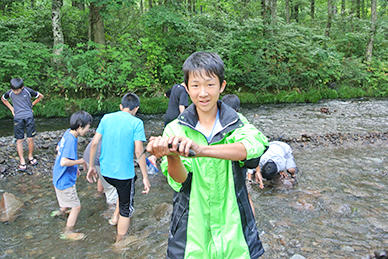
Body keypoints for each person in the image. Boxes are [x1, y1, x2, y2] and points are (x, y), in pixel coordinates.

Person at [146, 51, 268, 258]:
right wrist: (171, 155)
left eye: (210, 85)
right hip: (192, 235)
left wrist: (201, 150)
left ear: (222, 86)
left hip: (235, 232)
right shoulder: (175, 130)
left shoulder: (236, 123)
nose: (203, 93)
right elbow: (179, 181)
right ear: (186, 88)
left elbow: (253, 146)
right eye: (195, 85)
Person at [86, 93, 151, 244]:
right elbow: (138, 151)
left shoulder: (107, 118)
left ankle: (114, 219)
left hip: (105, 172)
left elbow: (95, 143)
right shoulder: (137, 123)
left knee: (121, 195)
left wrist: (90, 166)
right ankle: (119, 242)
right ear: (136, 109)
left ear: (121, 107)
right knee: (126, 209)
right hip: (123, 176)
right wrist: (146, 177)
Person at [221, 93, 264, 216]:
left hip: (228, 163)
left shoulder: (221, 117)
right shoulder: (242, 120)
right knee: (244, 194)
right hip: (241, 162)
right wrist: (257, 169)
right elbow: (253, 147)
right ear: (238, 108)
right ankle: (251, 223)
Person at [52, 111, 92, 241]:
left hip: (58, 176)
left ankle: (61, 212)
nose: (88, 129)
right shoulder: (71, 140)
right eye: (88, 127)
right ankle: (68, 232)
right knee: (76, 207)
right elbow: (64, 161)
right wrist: (80, 161)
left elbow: (58, 150)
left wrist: (74, 168)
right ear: (80, 126)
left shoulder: (67, 133)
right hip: (64, 180)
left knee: (65, 199)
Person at [1, 78, 44, 171]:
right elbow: (3, 99)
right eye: (13, 90)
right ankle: (22, 160)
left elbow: (40, 96)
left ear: (22, 87)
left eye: (17, 90)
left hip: (29, 117)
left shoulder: (28, 91)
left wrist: (32, 105)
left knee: (30, 138)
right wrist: (12, 109)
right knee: (19, 140)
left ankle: (30, 156)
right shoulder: (10, 93)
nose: (15, 92)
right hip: (18, 118)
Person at [83, 140, 119, 224]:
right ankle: (111, 210)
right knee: (112, 188)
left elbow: (95, 143)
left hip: (88, 156)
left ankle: (99, 193)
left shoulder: (106, 127)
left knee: (102, 176)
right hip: (100, 160)